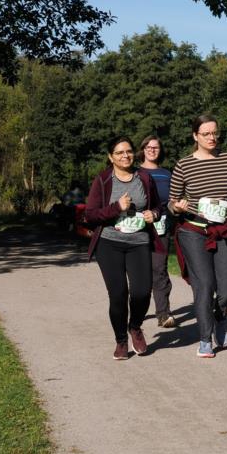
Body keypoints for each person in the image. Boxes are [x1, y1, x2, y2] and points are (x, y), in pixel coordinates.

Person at [169, 115, 227, 358]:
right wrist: (178, 207)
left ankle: (221, 319)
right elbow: (172, 202)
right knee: (204, 285)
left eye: (214, 132)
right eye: (206, 134)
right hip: (194, 230)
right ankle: (205, 339)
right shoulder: (184, 165)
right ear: (195, 136)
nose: (212, 137)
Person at [85, 137, 165, 360]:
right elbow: (90, 215)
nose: (125, 156)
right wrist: (116, 208)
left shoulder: (145, 178)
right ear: (111, 157)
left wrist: (154, 214)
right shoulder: (103, 180)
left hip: (139, 242)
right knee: (118, 295)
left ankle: (135, 327)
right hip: (109, 243)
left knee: (141, 291)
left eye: (128, 151)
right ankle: (121, 340)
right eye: (119, 153)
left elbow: (158, 206)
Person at [138, 135, 176, 328]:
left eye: (156, 147)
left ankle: (163, 313)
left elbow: (172, 200)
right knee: (138, 272)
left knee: (159, 269)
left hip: (161, 228)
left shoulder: (166, 174)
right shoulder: (134, 172)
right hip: (136, 229)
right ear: (143, 149)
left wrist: (174, 207)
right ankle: (136, 311)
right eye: (149, 147)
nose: (152, 150)